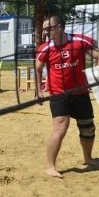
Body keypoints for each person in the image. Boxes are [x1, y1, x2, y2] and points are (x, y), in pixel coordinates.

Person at [35, 15, 99, 178]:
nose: (45, 32)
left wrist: (95, 75)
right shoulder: (45, 48)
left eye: (48, 28)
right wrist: (39, 91)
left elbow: (97, 55)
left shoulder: (79, 41)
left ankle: (88, 158)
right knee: (61, 127)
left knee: (88, 128)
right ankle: (50, 166)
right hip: (58, 94)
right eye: (43, 29)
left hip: (80, 92)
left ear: (59, 27)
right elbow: (37, 68)